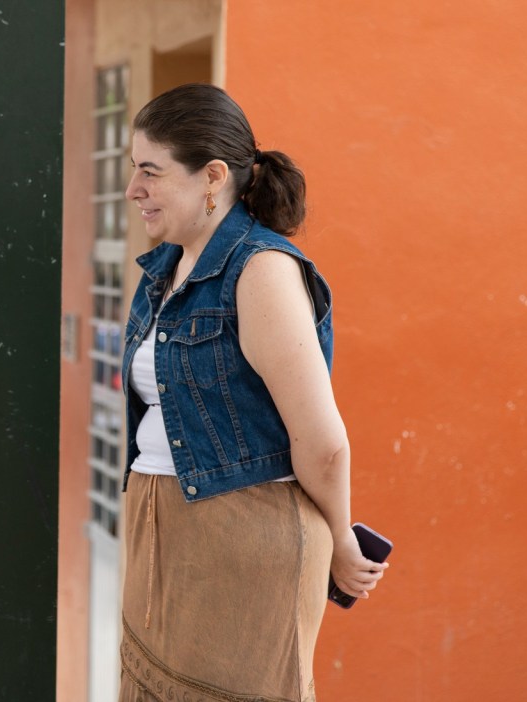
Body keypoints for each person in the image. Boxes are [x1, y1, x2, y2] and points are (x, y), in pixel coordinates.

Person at [118, 84, 388, 701]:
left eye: (149, 171)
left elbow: (321, 441)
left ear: (212, 176)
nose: (133, 189)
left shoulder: (261, 271)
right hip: (156, 523)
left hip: (241, 538)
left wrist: (340, 540)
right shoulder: (163, 272)